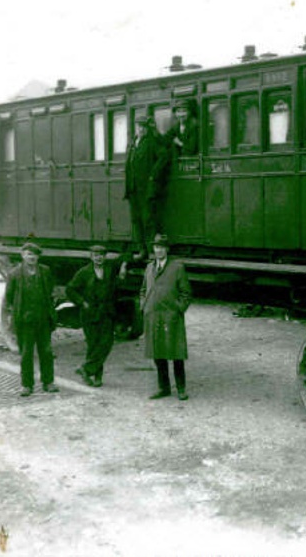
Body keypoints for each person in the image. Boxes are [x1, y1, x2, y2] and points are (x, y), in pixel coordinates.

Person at [3, 241, 59, 397]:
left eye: (34, 255)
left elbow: (50, 293)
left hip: (43, 320)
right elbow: (9, 297)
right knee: (26, 353)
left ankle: (48, 382)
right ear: (22, 256)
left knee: (46, 352)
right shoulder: (14, 274)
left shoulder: (45, 272)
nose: (32, 257)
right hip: (25, 321)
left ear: (38, 257)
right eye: (28, 254)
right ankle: (27, 385)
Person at [140, 233, 192, 400]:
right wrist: (144, 306)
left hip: (171, 317)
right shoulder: (149, 268)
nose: (159, 250)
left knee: (176, 353)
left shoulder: (177, 267)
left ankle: (181, 388)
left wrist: (178, 309)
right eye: (156, 247)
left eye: (161, 247)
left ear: (167, 249)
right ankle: (164, 388)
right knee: (158, 353)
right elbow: (143, 290)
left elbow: (186, 293)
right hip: (153, 316)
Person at [67, 245, 119, 387]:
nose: (98, 257)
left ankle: (85, 369)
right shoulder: (84, 272)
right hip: (90, 314)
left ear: (105, 256)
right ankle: (97, 377)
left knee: (106, 343)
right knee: (93, 345)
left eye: (101, 255)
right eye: (95, 255)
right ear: (91, 256)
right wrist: (82, 303)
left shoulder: (110, 270)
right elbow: (70, 290)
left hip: (106, 312)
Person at [124, 114, 167, 260]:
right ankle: (141, 250)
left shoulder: (151, 143)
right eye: (138, 126)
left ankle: (151, 251)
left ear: (147, 129)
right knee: (136, 220)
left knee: (148, 220)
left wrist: (153, 175)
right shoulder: (133, 143)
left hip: (146, 189)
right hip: (133, 189)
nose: (141, 130)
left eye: (143, 127)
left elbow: (163, 157)